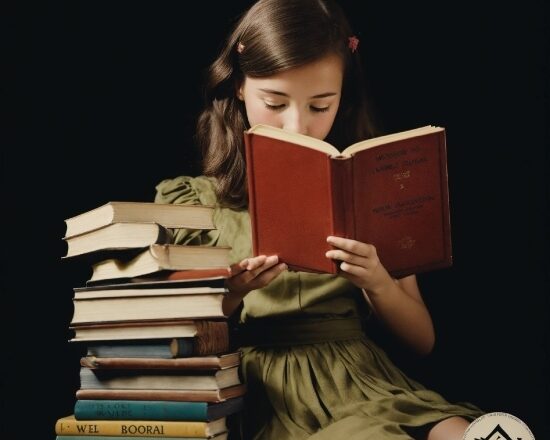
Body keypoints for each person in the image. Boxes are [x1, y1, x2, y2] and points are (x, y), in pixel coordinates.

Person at [155, 0, 484, 438]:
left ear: (343, 97)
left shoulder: (364, 188)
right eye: (275, 102)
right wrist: (231, 293)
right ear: (238, 87)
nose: (296, 126)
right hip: (263, 386)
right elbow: (172, 341)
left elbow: (423, 340)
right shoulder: (194, 202)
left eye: (319, 106)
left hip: (359, 378)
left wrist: (377, 283)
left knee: (459, 431)